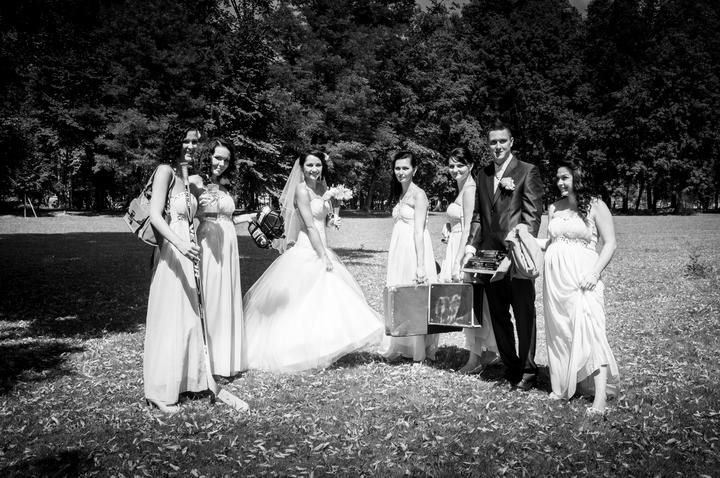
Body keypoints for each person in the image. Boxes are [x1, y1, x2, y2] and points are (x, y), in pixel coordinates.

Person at [242, 151, 384, 372]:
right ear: (302, 167)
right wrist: (322, 255)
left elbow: (321, 219)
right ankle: (295, 347)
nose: (314, 169)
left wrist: (332, 219)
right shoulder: (301, 190)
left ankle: (324, 344)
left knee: (323, 296)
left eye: (318, 165)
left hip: (322, 243)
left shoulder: (322, 188)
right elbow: (309, 226)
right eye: (309, 165)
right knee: (305, 297)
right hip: (308, 246)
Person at [462, 121, 543, 391]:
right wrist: (471, 247)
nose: (497, 146)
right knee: (498, 316)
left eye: (502, 141)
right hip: (489, 258)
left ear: (511, 142)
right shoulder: (483, 174)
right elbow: (478, 215)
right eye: (493, 142)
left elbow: (532, 216)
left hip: (515, 257)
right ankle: (511, 367)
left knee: (524, 314)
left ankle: (528, 371)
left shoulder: (527, 171)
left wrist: (521, 246)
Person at [544, 160, 619, 415]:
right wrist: (522, 238)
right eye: (557, 178)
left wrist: (595, 273)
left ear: (577, 177)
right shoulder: (554, 207)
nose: (560, 183)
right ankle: (564, 386)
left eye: (565, 177)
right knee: (561, 332)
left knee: (592, 330)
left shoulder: (596, 205)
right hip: (556, 283)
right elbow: (550, 243)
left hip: (583, 279)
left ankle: (599, 399)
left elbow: (610, 243)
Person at [143, 126, 207, 413]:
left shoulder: (188, 178)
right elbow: (155, 216)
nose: (192, 146)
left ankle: (183, 380)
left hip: (188, 250)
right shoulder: (165, 171)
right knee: (169, 316)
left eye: (196, 142)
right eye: (187, 140)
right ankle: (159, 391)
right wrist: (180, 244)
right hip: (172, 250)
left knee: (187, 316)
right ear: (175, 141)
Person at [194, 138, 256, 378]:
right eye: (217, 157)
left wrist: (249, 216)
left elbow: (227, 218)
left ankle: (225, 356)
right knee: (211, 295)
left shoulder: (225, 186)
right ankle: (206, 359)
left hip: (229, 243)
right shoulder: (195, 181)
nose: (221, 163)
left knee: (226, 295)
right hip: (209, 242)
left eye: (226, 160)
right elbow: (186, 213)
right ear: (207, 156)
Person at [438, 147, 499, 374]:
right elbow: (461, 220)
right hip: (455, 243)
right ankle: (487, 352)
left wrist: (459, 260)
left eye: (460, 165)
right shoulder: (462, 187)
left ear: (471, 165)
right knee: (468, 303)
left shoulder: (470, 188)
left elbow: (469, 228)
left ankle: (476, 358)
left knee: (472, 303)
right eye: (451, 165)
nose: (455, 170)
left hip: (464, 249)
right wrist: (449, 226)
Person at [381, 151, 439, 363]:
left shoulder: (419, 195)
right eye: (397, 168)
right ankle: (401, 343)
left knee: (416, 299)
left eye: (405, 168)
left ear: (414, 170)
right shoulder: (401, 193)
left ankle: (419, 353)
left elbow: (419, 231)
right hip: (399, 251)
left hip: (414, 251)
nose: (401, 172)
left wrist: (421, 265)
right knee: (400, 296)